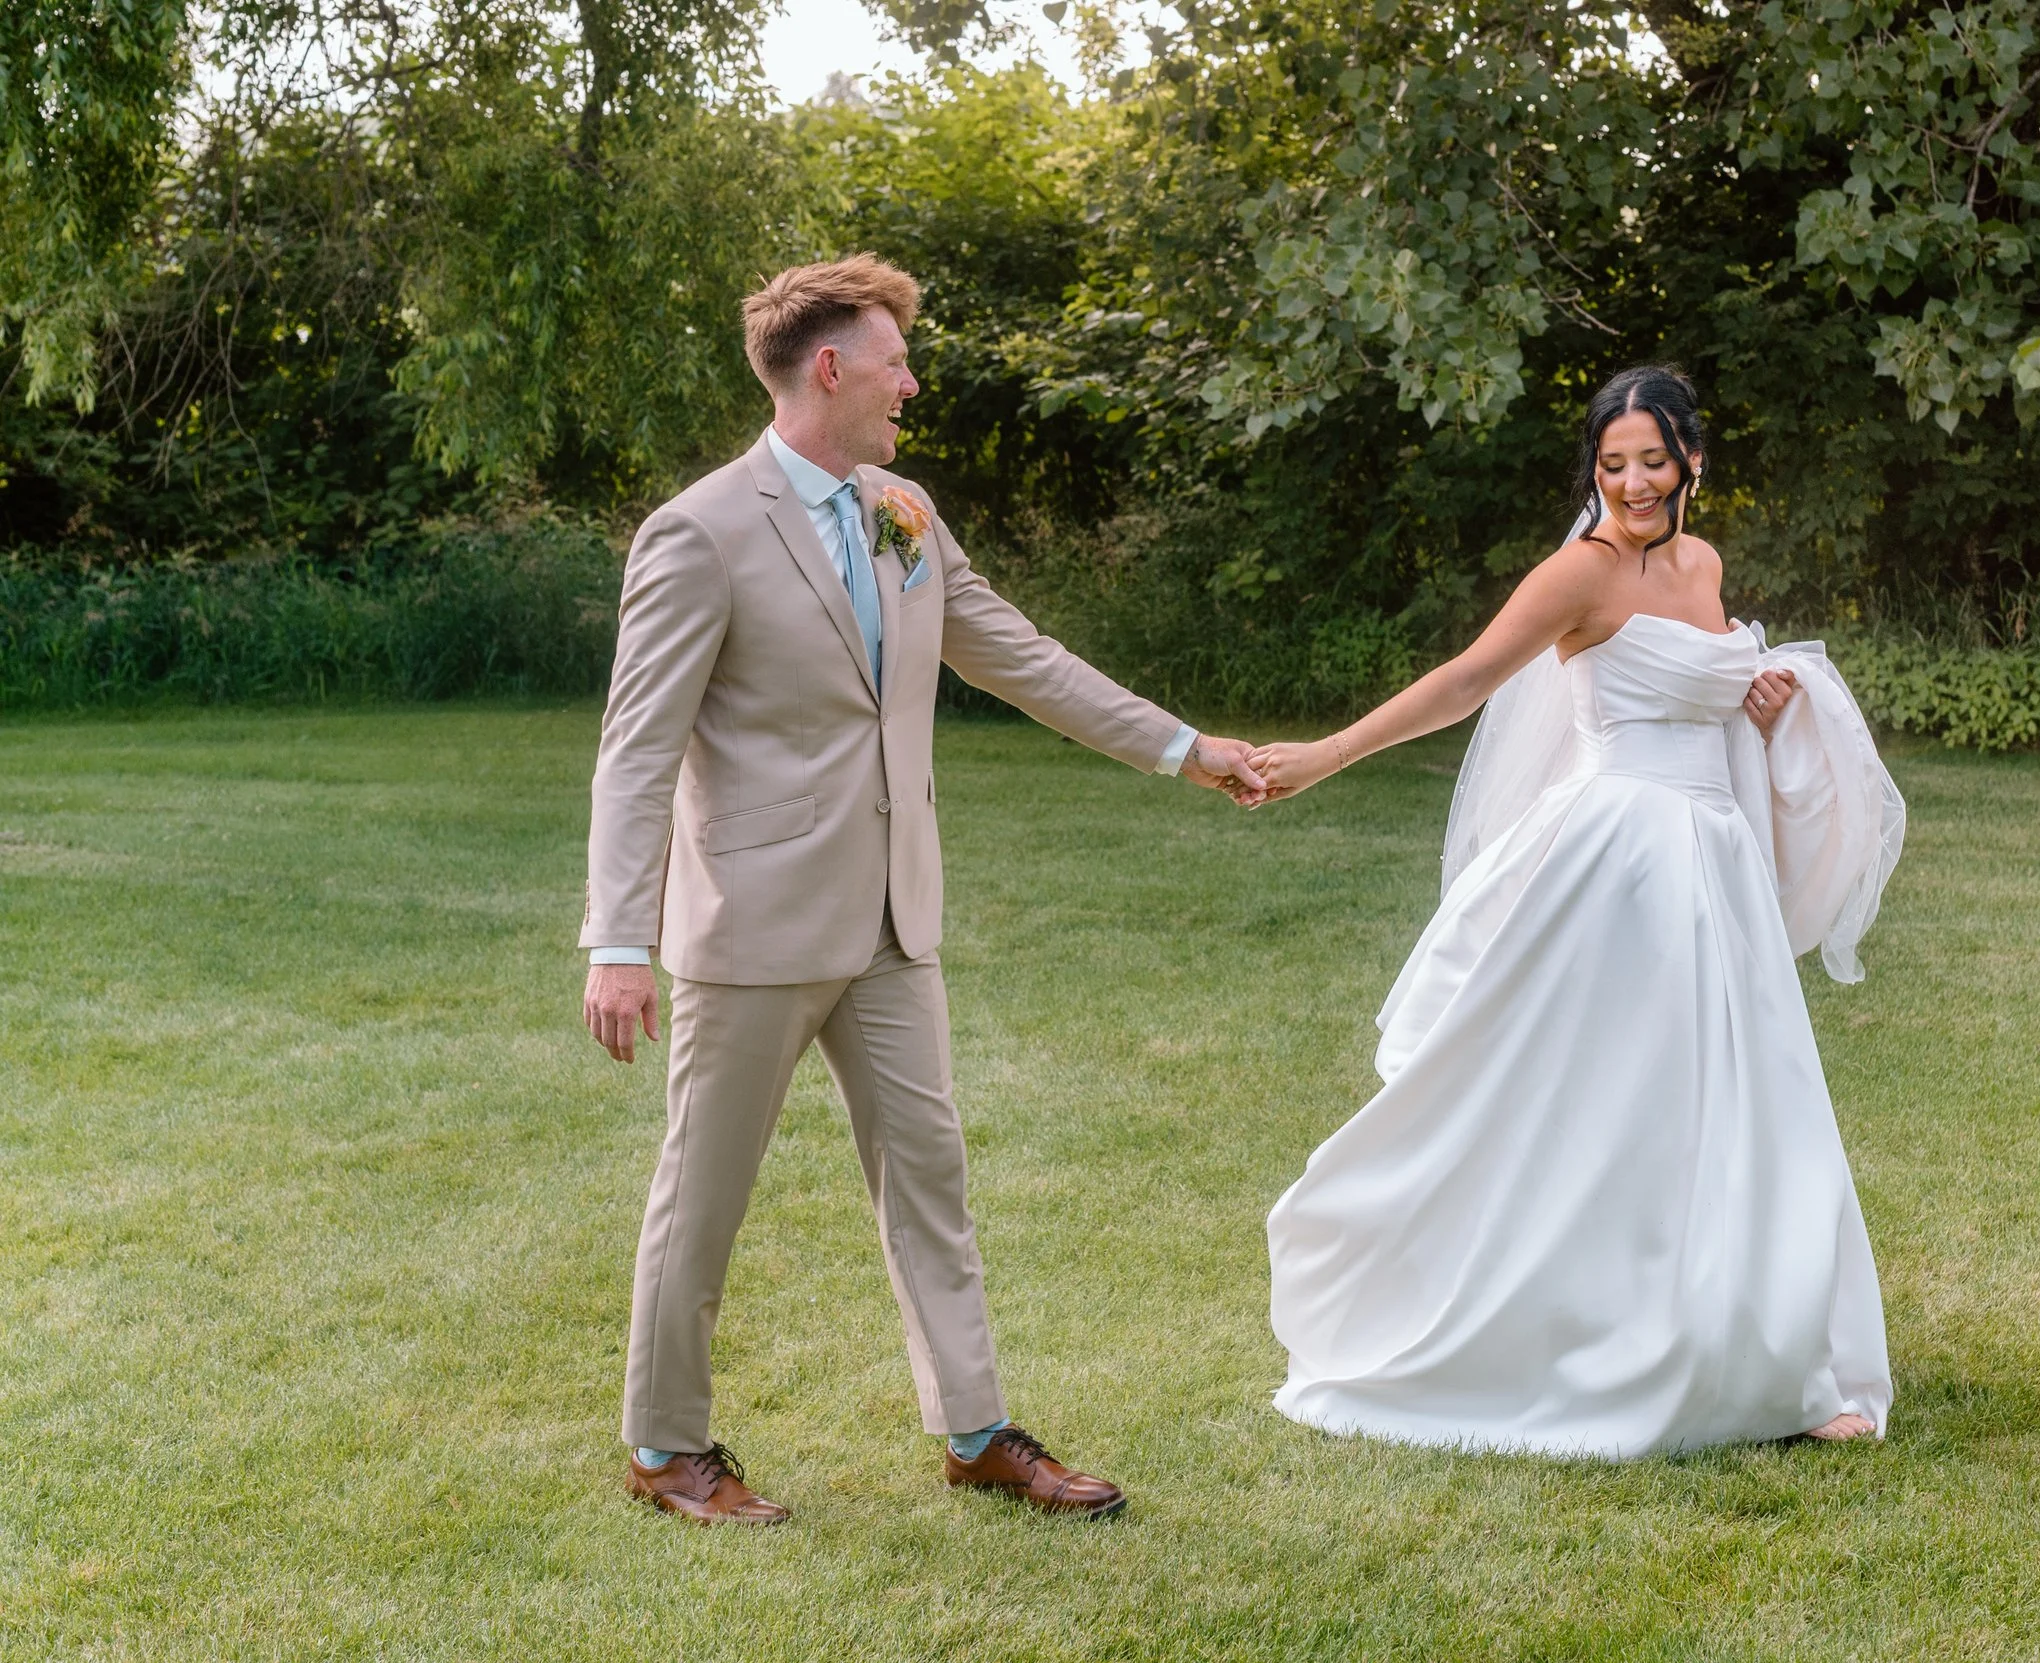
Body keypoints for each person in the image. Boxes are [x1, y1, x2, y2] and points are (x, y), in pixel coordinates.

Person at [579, 256, 1267, 1524]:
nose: (913, 379)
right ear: (827, 369)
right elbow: (637, 750)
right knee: (704, 1194)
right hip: (755, 926)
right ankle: (666, 1446)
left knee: (931, 1176)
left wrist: (1188, 749)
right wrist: (619, 938)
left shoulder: (902, 509)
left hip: (896, 920)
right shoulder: (699, 531)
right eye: (894, 358)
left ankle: (975, 1428)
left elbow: (1024, 658)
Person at [1250, 365, 1903, 1457]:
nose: (1634, 482)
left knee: (1747, 1100)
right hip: (1618, 864)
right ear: (1592, 469)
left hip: (1714, 864)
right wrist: (1323, 756)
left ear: (1694, 459)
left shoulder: (1703, 564)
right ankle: (1570, 1333)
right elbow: (1462, 683)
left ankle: (1769, 1348)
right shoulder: (1576, 576)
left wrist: (1752, 693)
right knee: (1606, 1106)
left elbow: (1699, 680)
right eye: (1613, 463)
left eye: (1653, 459)